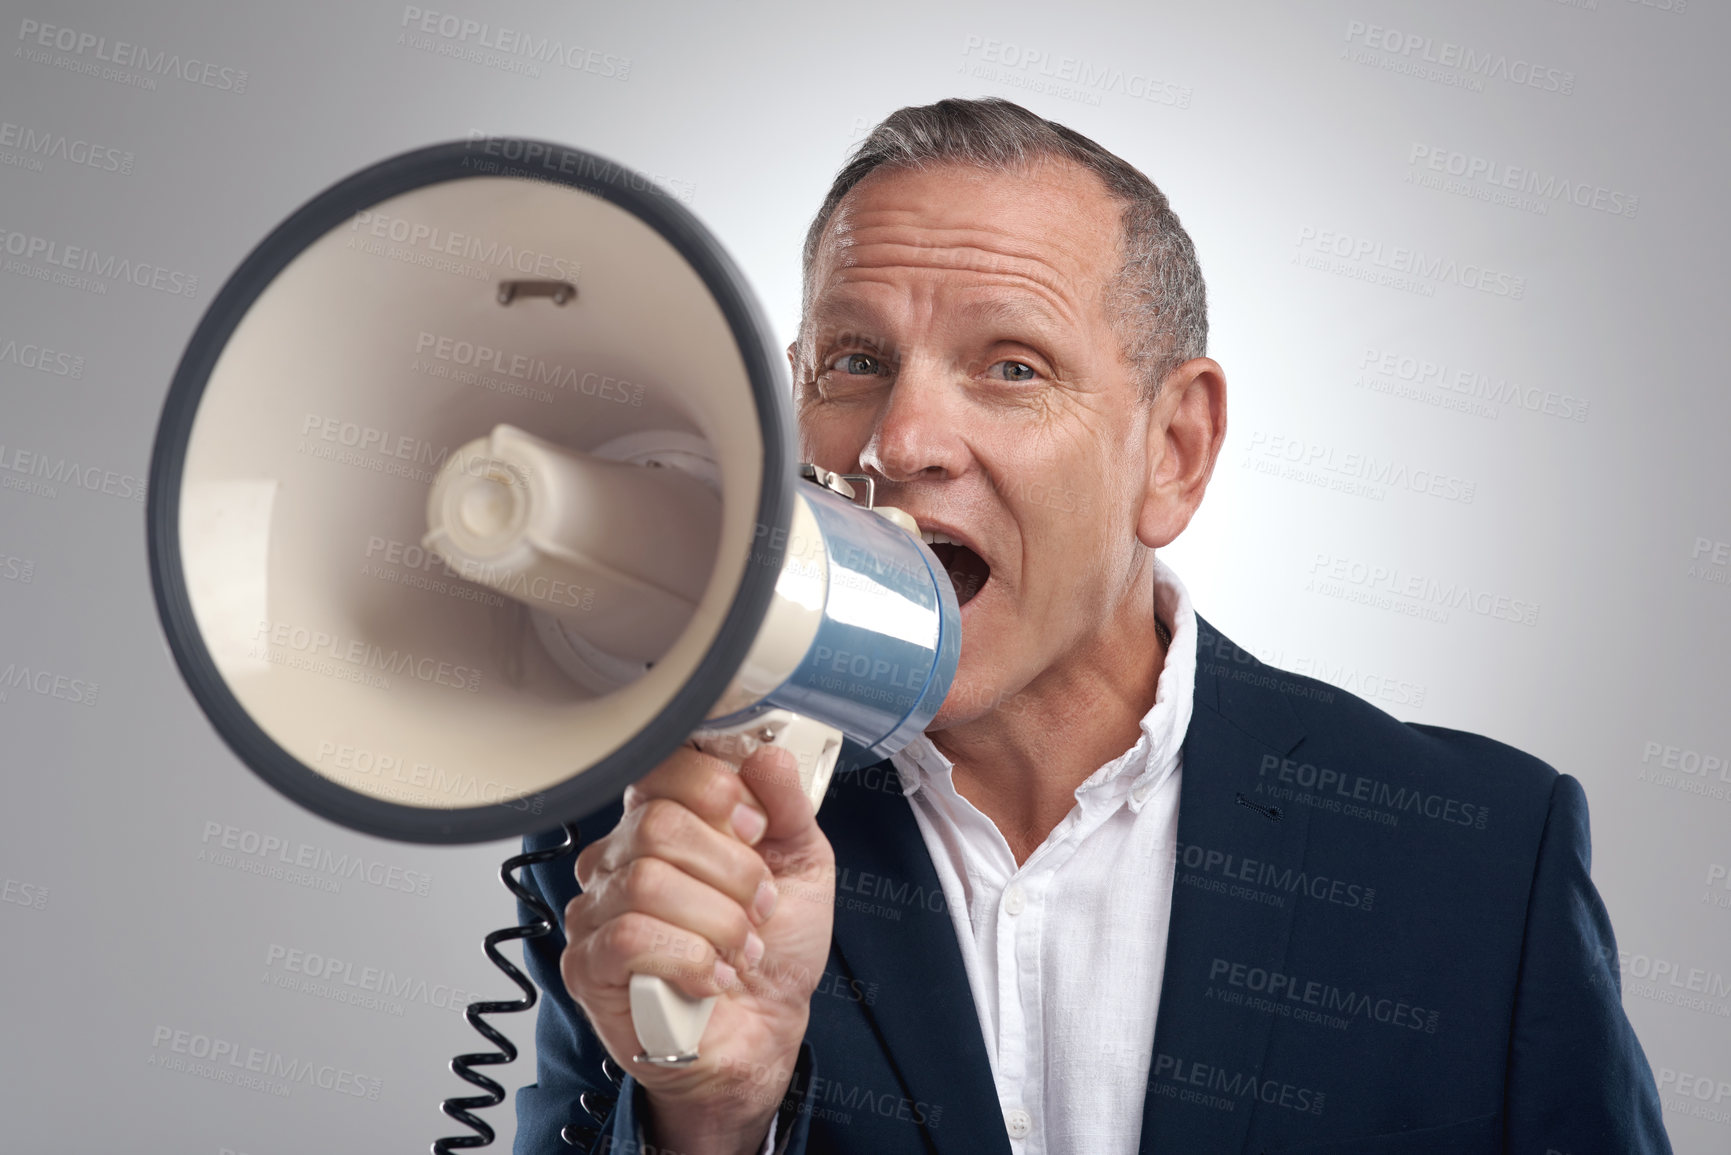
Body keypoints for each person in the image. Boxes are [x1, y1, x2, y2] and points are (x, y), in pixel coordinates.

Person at [513, 97, 1671, 1155]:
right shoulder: (649, 846)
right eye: (854, 362)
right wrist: (701, 1120)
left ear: (1173, 451)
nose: (896, 441)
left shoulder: (1475, 858)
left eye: (1012, 368)